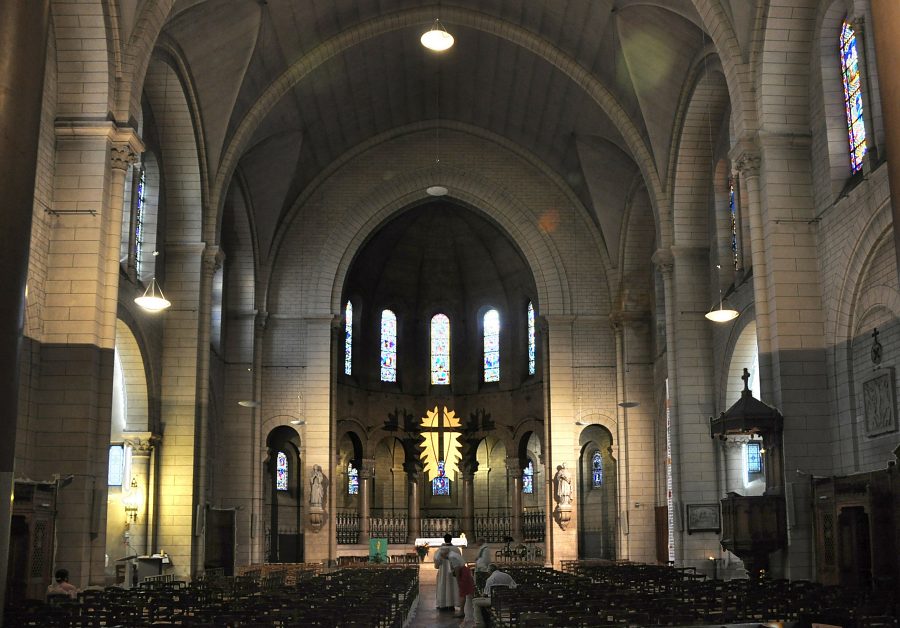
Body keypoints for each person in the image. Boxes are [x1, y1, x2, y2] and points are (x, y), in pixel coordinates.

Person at [433, 533, 461, 611]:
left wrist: (437, 565)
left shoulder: (440, 550)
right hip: (453, 572)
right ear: (451, 539)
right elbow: (459, 560)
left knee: (443, 585)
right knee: (453, 586)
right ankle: (451, 604)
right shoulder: (456, 549)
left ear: (444, 539)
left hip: (443, 572)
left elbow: (436, 561)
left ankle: (443, 604)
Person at [450, 552, 476, 626]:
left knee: (463, 592)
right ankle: (467, 610)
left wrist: (458, 580)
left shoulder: (451, 556)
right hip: (464, 572)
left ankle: (462, 612)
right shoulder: (453, 554)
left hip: (463, 573)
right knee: (467, 591)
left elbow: (457, 568)